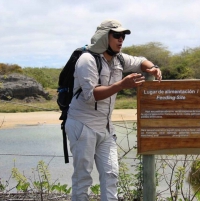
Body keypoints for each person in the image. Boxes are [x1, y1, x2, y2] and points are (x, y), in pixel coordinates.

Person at [65, 19, 162, 201]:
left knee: (111, 174)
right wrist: (122, 85)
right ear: (104, 37)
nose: (121, 40)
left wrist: (153, 68)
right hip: (82, 125)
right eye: (116, 35)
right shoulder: (87, 60)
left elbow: (141, 61)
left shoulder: (119, 59)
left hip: (106, 128)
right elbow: (91, 95)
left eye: (123, 36)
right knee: (82, 177)